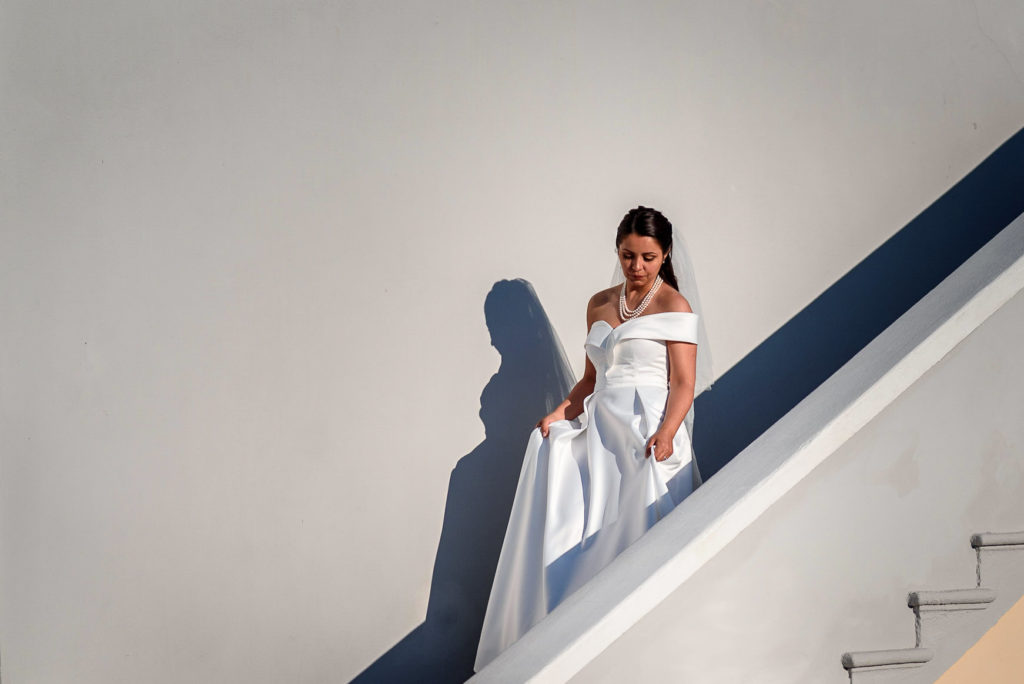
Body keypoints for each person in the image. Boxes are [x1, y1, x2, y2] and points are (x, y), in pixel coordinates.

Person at [473, 206, 712, 672]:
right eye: (627, 255)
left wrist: (667, 433)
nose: (636, 266)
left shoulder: (675, 306)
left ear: (665, 254)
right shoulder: (600, 304)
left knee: (638, 533)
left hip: (646, 432)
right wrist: (559, 412)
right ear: (617, 251)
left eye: (647, 257)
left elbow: (684, 384)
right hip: (601, 432)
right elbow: (589, 380)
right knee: (579, 533)